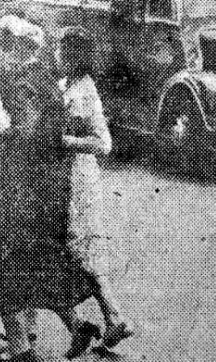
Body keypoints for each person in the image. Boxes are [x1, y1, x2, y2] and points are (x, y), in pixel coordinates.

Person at [0, 16, 101, 362]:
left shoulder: (17, 78)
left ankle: (21, 352)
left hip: (25, 189)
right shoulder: (47, 78)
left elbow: (29, 132)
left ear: (14, 48)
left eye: (1, 46)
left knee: (6, 260)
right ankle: (77, 326)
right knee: (40, 259)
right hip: (51, 187)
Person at [58, 27, 134, 350]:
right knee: (74, 252)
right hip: (67, 176)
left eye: (62, 50)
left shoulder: (84, 92)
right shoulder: (68, 86)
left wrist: (66, 141)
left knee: (75, 251)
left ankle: (108, 319)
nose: (57, 55)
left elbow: (104, 143)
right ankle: (111, 319)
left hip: (80, 180)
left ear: (73, 55)